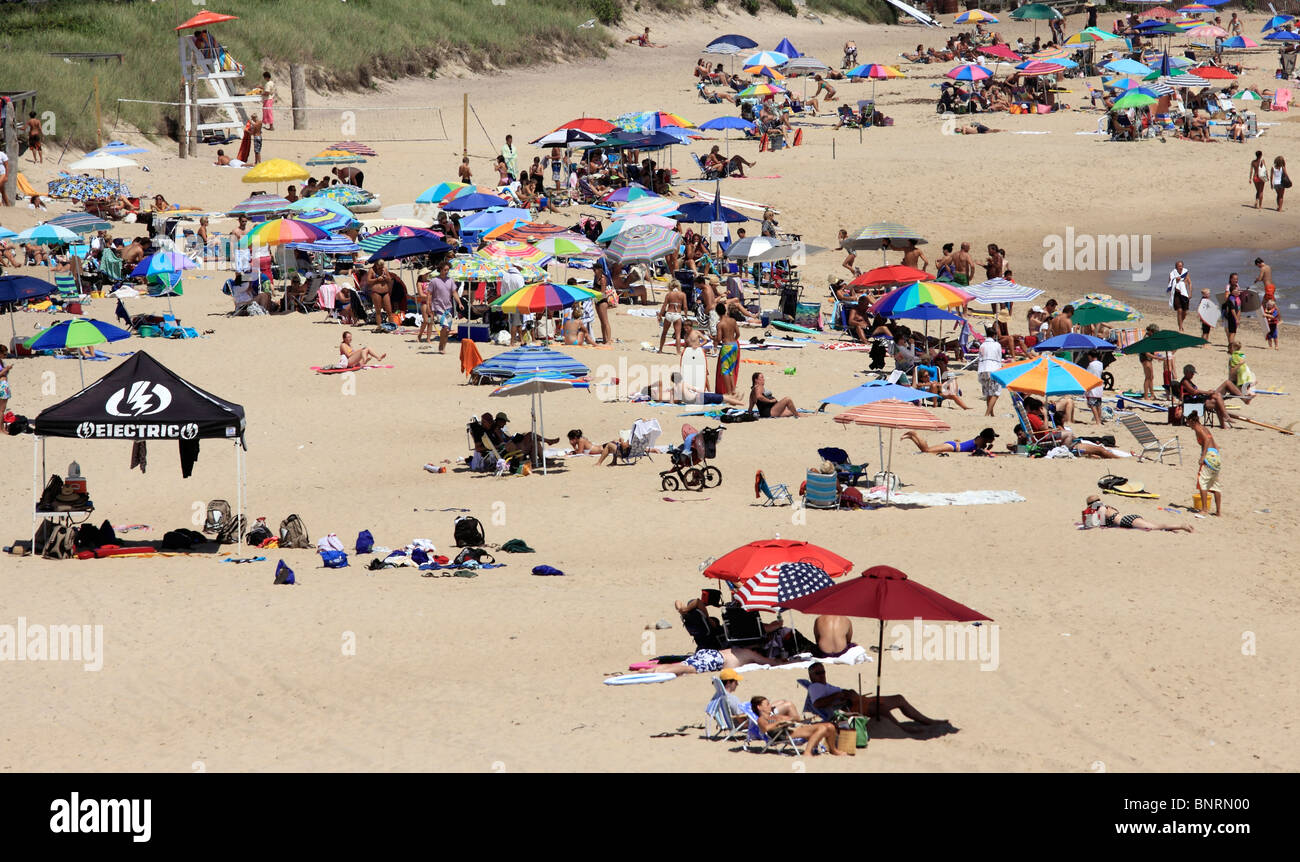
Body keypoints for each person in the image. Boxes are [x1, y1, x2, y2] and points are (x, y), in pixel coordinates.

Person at [804, 663, 949, 734]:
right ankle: (902, 728)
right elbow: (818, 703)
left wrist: (847, 692)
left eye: (823, 671)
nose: (822, 674)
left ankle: (928, 721)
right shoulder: (815, 687)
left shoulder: (824, 685)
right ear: (811, 676)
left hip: (859, 700)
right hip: (854, 707)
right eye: (818, 673)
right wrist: (839, 695)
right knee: (881, 708)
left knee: (899, 698)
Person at [750, 696, 848, 755]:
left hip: (793, 729)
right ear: (759, 707)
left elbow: (793, 719)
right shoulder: (761, 719)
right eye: (767, 704)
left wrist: (793, 720)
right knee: (822, 728)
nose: (770, 705)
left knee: (830, 726)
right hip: (786, 734)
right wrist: (779, 723)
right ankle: (807, 752)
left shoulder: (775, 716)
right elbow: (765, 729)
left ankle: (833, 750)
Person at [1084, 496, 1193, 532]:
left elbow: (1102, 525)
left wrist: (1102, 525)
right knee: (1153, 525)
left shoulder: (1102, 508)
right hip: (1129, 518)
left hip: (1127, 521)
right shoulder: (1107, 506)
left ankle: (1180, 526)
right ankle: (1175, 527)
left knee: (1155, 526)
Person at [1186, 411, 1222, 516]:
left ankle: (1204, 509)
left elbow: (1206, 440)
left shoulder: (1198, 428)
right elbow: (1213, 442)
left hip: (1209, 456)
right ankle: (1218, 512)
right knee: (1215, 485)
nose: (1188, 426)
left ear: (1192, 421)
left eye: (1188, 423)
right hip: (1216, 456)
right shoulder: (1205, 428)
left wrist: (1203, 456)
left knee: (1202, 482)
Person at [427, 262, 461, 353]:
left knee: (447, 330)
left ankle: (442, 346)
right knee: (445, 327)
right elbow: (429, 294)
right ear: (440, 270)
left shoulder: (450, 281)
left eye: (448, 270)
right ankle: (441, 347)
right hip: (438, 307)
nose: (446, 272)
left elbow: (454, 293)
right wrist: (428, 306)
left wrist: (460, 303)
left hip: (448, 307)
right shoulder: (434, 281)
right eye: (445, 270)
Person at [902, 427, 998, 455]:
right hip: (953, 447)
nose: (994, 439)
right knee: (926, 450)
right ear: (987, 437)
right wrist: (988, 449)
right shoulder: (980, 441)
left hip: (953, 445)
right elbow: (978, 452)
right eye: (993, 437)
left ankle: (912, 437)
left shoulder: (980, 439)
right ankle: (915, 434)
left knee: (926, 450)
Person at [977, 329, 1003, 416]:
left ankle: (991, 413)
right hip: (993, 368)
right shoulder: (997, 345)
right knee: (996, 392)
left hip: (983, 368)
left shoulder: (982, 345)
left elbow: (980, 357)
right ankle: (987, 413)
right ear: (994, 335)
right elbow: (999, 358)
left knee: (988, 391)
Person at [715, 305, 740, 395]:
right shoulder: (733, 321)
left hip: (726, 346)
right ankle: (733, 391)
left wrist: (713, 338)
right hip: (734, 345)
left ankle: (729, 393)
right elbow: (738, 334)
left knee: (725, 370)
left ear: (717, 313)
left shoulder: (720, 324)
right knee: (731, 370)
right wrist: (734, 340)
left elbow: (719, 339)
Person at [1084, 351, 1106, 425]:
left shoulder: (1091, 365)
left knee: (1092, 405)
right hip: (1099, 385)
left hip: (1093, 386)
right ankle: (1099, 419)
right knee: (1098, 404)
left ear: (1090, 356)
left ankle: (1097, 421)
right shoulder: (1101, 364)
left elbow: (1087, 375)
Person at [0, 344, 11, 417]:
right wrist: (5, 370)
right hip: (1, 385)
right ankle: (1, 428)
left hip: (4, 384)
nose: (5, 356)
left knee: (2, 410)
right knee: (1, 410)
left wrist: (7, 370)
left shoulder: (1, 361)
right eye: (4, 354)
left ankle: (2, 428)